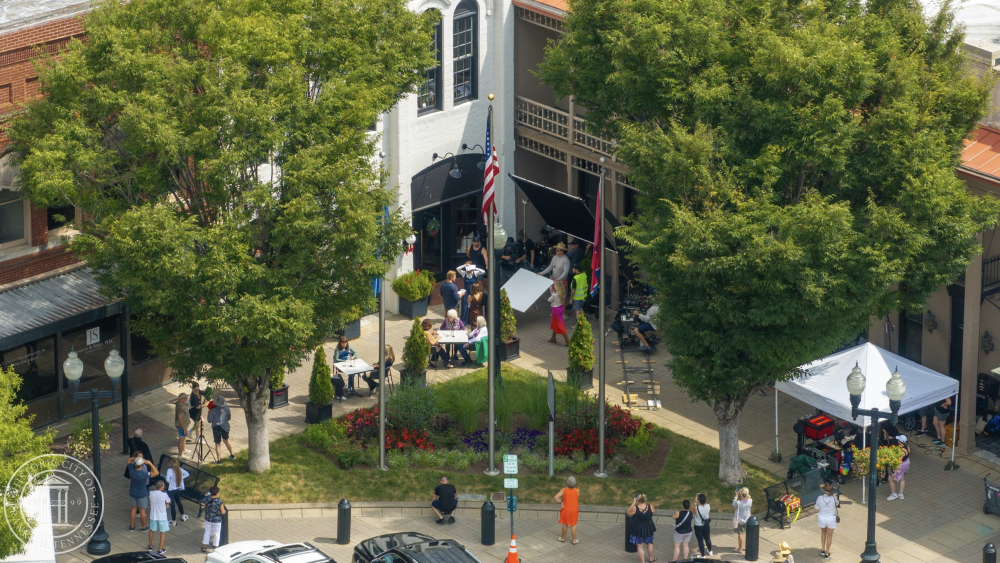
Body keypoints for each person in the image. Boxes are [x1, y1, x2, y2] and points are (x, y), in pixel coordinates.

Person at [127, 453, 159, 532]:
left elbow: (128, 460)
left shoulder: (131, 468)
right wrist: (150, 463)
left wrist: (136, 458)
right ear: (141, 465)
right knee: (142, 511)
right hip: (142, 494)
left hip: (132, 492)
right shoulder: (144, 474)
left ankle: (132, 526)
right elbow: (156, 472)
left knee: (133, 509)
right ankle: (144, 527)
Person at [626, 494, 656, 563]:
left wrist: (633, 502)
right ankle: (651, 558)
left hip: (638, 528)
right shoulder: (651, 506)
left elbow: (628, 513)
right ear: (645, 499)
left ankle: (642, 561)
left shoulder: (635, 508)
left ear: (638, 500)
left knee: (640, 546)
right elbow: (652, 513)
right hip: (648, 527)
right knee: (650, 543)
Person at [208, 396, 236, 463]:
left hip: (216, 428)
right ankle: (232, 455)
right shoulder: (227, 409)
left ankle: (219, 460)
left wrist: (208, 414)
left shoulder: (213, 411)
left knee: (217, 444)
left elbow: (209, 420)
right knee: (226, 441)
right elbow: (229, 418)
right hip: (225, 427)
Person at [816, 482, 840, 559]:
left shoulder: (820, 498)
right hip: (831, 518)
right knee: (829, 536)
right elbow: (837, 504)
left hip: (822, 517)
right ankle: (827, 553)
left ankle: (822, 549)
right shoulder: (833, 497)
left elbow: (816, 508)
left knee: (823, 533)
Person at [147, 480, 171, 554]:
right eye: (163, 485)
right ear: (161, 487)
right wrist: (167, 504)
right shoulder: (164, 495)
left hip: (153, 515)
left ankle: (150, 546)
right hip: (162, 516)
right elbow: (169, 501)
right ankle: (160, 549)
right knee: (162, 532)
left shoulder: (151, 493)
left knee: (152, 530)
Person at [164, 457, 189, 526]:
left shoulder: (169, 470)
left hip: (171, 490)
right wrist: (181, 478)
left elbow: (167, 480)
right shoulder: (180, 469)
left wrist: (170, 481)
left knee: (172, 505)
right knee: (178, 502)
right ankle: (183, 515)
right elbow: (187, 474)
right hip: (177, 489)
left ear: (170, 464)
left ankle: (174, 521)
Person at [555, 476, 580, 544]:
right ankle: (574, 540)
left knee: (565, 524)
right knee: (573, 525)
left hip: (566, 509)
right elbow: (577, 496)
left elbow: (556, 497)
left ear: (567, 483)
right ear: (574, 483)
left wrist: (561, 501)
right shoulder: (577, 490)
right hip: (574, 509)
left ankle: (562, 538)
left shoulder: (564, 490)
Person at [201, 486, 226, 553]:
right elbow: (223, 512)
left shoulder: (206, 499)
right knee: (217, 533)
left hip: (208, 519)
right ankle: (216, 547)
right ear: (217, 493)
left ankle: (204, 547)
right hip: (217, 520)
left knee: (207, 532)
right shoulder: (219, 502)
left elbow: (205, 505)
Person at [887, 434, 911, 501]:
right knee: (902, 479)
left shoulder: (901, 451)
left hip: (900, 466)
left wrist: (895, 471)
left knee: (890, 479)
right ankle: (901, 494)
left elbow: (899, 461)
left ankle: (894, 494)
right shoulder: (907, 447)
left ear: (899, 442)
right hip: (906, 464)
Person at [548, 282, 569, 346]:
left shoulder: (555, 295)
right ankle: (553, 338)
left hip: (555, 311)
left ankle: (567, 341)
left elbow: (549, 300)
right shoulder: (561, 293)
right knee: (555, 323)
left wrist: (551, 292)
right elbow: (555, 298)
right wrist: (552, 292)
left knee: (560, 325)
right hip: (560, 309)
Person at [733, 487, 753, 554]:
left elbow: (734, 504)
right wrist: (742, 492)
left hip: (740, 521)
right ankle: (748, 546)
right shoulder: (750, 500)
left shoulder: (739, 503)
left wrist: (736, 496)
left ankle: (740, 549)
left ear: (741, 494)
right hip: (748, 519)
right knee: (747, 533)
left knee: (740, 534)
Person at [173, 393, 191, 458]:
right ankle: (180, 455)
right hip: (181, 426)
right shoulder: (180, 407)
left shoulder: (181, 404)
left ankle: (184, 449)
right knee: (181, 439)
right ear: (181, 399)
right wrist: (184, 429)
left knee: (184, 438)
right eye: (185, 398)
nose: (186, 399)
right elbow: (180, 419)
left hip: (184, 424)